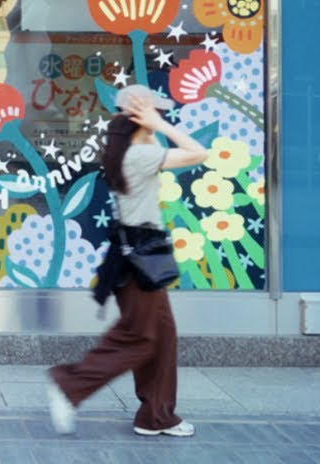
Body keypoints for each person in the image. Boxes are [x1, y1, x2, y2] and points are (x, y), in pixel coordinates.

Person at [46, 84, 208, 438]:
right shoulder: (137, 154)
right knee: (140, 337)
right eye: (154, 110)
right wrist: (157, 124)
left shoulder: (133, 147)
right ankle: (69, 385)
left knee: (162, 337)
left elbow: (162, 148)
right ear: (138, 114)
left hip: (138, 250)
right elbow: (199, 153)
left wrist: (147, 124)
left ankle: (156, 416)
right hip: (139, 256)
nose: (161, 114)